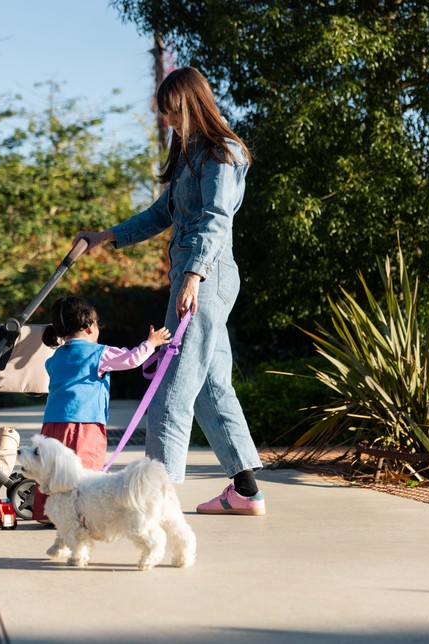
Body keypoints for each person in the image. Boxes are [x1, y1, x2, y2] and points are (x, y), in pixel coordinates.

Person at [74, 66, 266, 516]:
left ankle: (152, 499)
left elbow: (217, 219)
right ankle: (246, 490)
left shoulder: (222, 153)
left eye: (172, 113)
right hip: (195, 276)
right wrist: (107, 235)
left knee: (172, 384)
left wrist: (193, 276)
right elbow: (162, 213)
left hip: (207, 275)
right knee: (211, 387)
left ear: (190, 103)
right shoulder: (189, 156)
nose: (168, 123)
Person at [33, 295, 171, 524]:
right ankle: (82, 513)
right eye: (97, 325)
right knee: (84, 470)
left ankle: (50, 512)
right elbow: (132, 359)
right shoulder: (99, 353)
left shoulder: (55, 357)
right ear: (88, 327)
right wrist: (151, 343)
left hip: (53, 424)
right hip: (84, 423)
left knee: (53, 468)